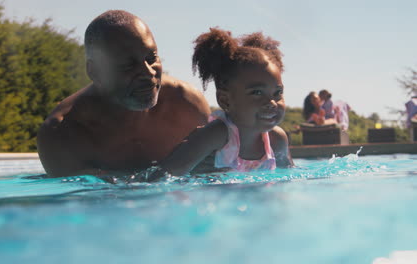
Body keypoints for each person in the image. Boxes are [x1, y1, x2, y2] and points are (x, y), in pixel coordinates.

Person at [36, 10, 211, 179]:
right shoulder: (61, 136)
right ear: (96, 72)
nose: (148, 72)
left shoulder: (187, 105)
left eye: (151, 58)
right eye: (128, 64)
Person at [138, 28, 294, 181]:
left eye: (278, 93)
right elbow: (162, 176)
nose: (272, 102)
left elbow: (288, 177)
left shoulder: (277, 139)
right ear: (225, 100)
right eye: (257, 93)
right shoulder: (217, 135)